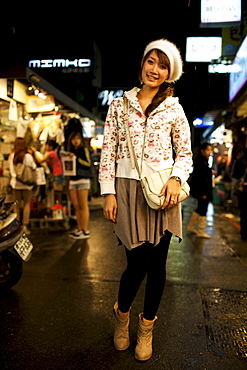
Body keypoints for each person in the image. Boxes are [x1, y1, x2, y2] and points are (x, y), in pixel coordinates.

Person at [99, 39, 192, 361]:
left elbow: (185, 153)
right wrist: (108, 192)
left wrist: (177, 178)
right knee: (136, 263)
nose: (155, 69)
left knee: (158, 265)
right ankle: (122, 316)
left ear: (170, 73)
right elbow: (108, 151)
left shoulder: (174, 108)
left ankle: (146, 327)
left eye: (163, 65)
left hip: (163, 190)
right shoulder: (118, 106)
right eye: (151, 61)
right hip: (126, 188)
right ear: (142, 64)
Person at [67, 132, 93, 239]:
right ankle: (79, 229)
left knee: (83, 205)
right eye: (73, 139)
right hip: (72, 180)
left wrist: (76, 158)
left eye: (78, 138)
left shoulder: (84, 150)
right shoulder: (70, 151)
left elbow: (88, 163)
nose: (75, 141)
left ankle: (85, 230)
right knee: (76, 206)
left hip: (83, 179)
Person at [9, 137, 37, 235]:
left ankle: (17, 226)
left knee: (16, 205)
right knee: (26, 204)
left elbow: (12, 171)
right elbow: (33, 167)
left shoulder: (12, 156)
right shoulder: (27, 156)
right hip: (27, 184)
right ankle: (25, 226)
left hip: (16, 184)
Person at [187, 142, 213, 238]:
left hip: (203, 191)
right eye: (208, 150)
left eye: (210, 150)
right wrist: (203, 192)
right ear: (202, 150)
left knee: (200, 209)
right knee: (203, 209)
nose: (210, 152)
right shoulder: (201, 163)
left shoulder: (203, 161)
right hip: (203, 191)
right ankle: (201, 230)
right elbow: (200, 179)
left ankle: (191, 226)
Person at [32, 140, 66, 204]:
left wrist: (35, 151)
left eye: (46, 146)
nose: (45, 147)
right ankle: (58, 209)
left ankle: (58, 209)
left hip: (57, 174)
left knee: (57, 194)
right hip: (59, 174)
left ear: (50, 147)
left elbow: (40, 160)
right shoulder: (55, 153)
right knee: (58, 194)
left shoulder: (51, 153)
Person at [231, 148, 247, 240]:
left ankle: (244, 234)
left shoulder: (239, 161)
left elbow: (234, 176)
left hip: (243, 191)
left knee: (244, 213)